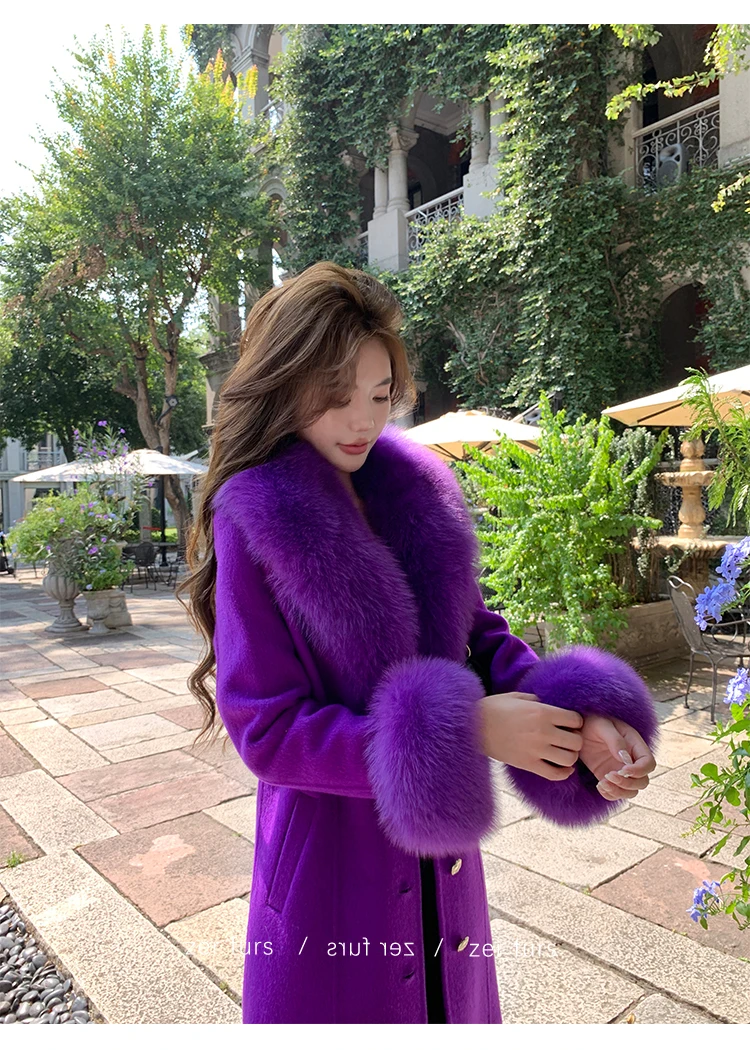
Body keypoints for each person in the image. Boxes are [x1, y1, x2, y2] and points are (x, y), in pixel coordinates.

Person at [180, 261, 658, 1025]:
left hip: (444, 873)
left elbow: (481, 638)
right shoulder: (257, 514)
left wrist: (580, 720)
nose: (362, 421)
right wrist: (463, 730)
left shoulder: (419, 497)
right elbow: (267, 730)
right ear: (285, 383)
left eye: (379, 396)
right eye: (336, 395)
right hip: (330, 878)